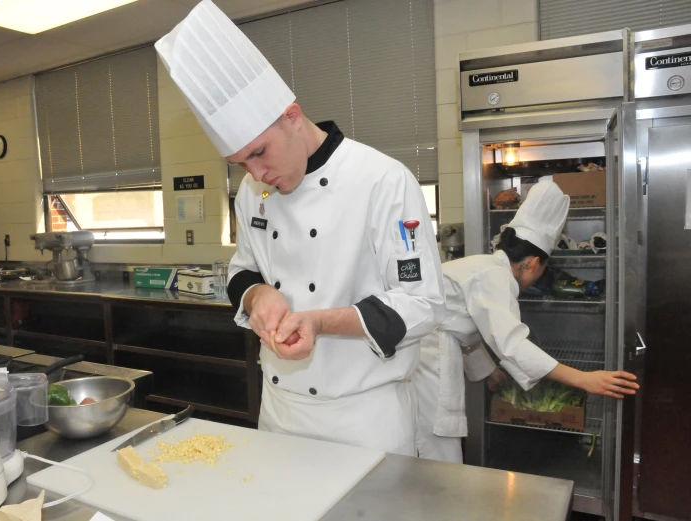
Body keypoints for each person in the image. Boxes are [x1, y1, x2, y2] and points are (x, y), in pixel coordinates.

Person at [155, 0, 445, 456]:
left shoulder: (382, 180)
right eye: (239, 163)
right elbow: (241, 270)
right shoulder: (254, 193)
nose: (254, 175)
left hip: (365, 419)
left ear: (291, 116)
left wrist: (320, 321)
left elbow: (422, 303)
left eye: (258, 153)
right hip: (280, 415)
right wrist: (258, 296)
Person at [413, 181, 639, 463]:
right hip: (430, 358)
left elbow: (463, 328)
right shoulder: (495, 277)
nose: (537, 278)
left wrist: (488, 372)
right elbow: (512, 345)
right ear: (532, 263)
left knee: (432, 444)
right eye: (541, 270)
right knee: (438, 445)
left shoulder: (484, 265)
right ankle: (437, 503)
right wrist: (584, 379)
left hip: (430, 350)